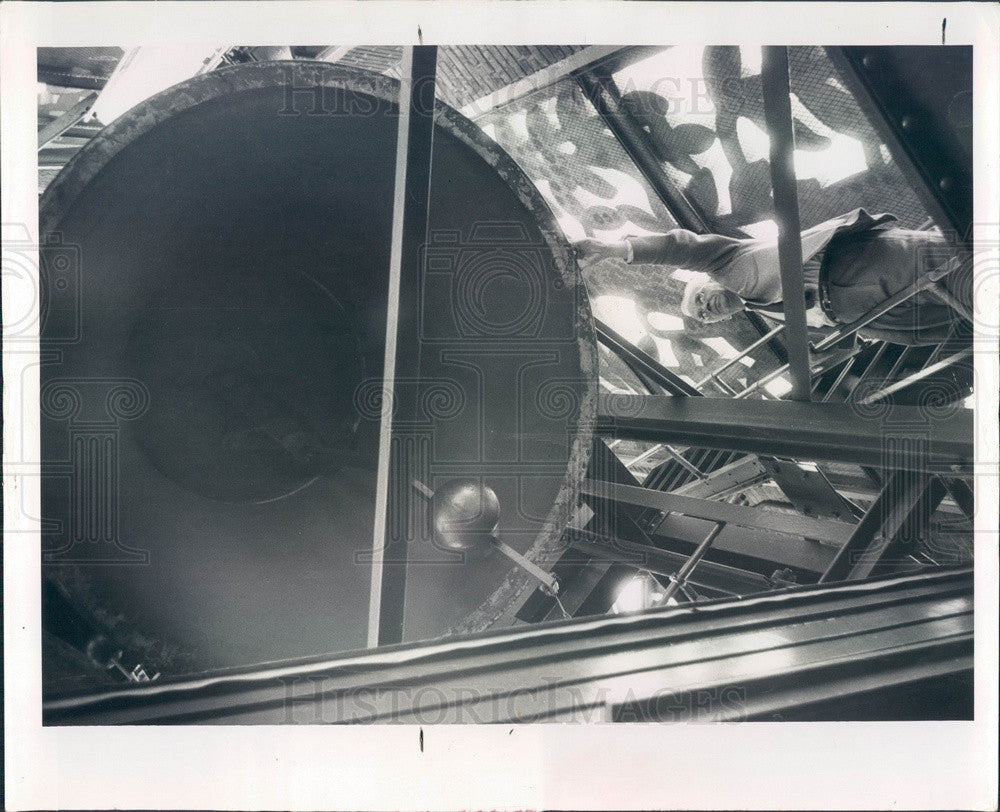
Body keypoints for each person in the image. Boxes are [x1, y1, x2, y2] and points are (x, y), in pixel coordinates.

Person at [573, 209, 972, 346]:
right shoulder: (768, 313)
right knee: (971, 321)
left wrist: (613, 250)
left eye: (700, 300)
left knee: (969, 272)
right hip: (882, 316)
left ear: (708, 282)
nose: (706, 310)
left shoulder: (728, 262)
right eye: (706, 317)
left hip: (862, 264)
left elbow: (682, 247)